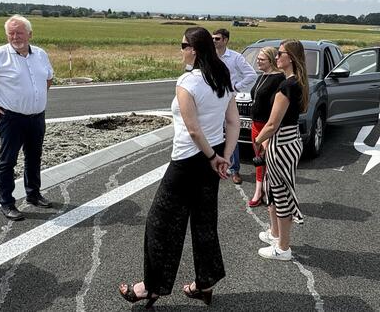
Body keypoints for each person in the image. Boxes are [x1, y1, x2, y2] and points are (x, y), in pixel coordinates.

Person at [120, 27, 239, 308]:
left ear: (194, 50)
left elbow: (193, 129)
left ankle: (150, 288)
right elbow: (233, 122)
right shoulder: (222, 77)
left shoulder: (188, 81)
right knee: (204, 222)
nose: (181, 49)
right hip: (214, 158)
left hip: (189, 160)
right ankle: (205, 283)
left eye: (183, 45)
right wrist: (224, 157)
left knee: (159, 224)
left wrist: (212, 157)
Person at [0, 15, 54, 221]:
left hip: (37, 117)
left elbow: (49, 78)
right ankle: (7, 202)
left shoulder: (40, 54)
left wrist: (36, 97)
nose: (15, 37)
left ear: (30, 34)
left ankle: (33, 194)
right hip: (11, 118)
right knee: (8, 161)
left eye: (19, 33)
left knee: (34, 157)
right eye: (11, 33)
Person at [254, 39, 309, 261]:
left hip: (282, 143)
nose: (277, 57)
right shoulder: (296, 82)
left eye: (280, 53)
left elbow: (272, 124)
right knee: (274, 190)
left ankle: (283, 248)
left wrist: (258, 140)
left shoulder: (287, 85)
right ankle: (276, 235)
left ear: (291, 58)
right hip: (289, 140)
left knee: (281, 195)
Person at [212, 28, 256, 185]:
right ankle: (216, 165)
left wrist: (235, 88)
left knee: (232, 135)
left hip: (229, 100)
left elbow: (251, 75)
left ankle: (235, 170)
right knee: (214, 133)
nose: (214, 41)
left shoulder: (236, 57)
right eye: (213, 38)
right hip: (212, 101)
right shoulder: (209, 56)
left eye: (217, 38)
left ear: (225, 40)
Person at [247, 47, 285, 207]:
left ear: (271, 60)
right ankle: (258, 191)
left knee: (268, 160)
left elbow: (276, 106)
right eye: (258, 58)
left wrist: (269, 129)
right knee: (259, 160)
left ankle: (269, 191)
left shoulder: (279, 78)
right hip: (255, 124)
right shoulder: (262, 75)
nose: (258, 61)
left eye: (262, 59)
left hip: (267, 126)